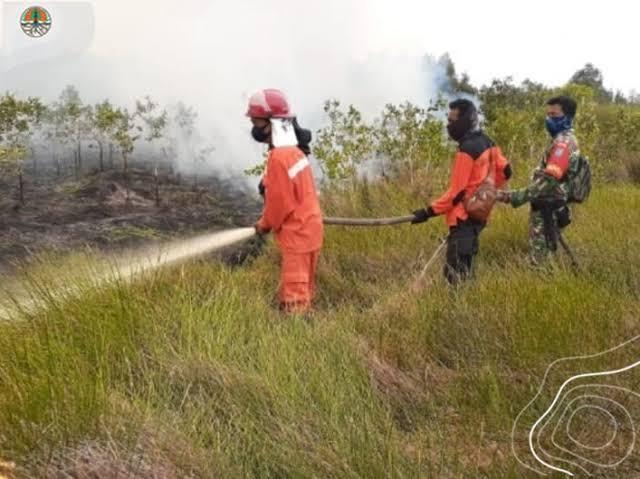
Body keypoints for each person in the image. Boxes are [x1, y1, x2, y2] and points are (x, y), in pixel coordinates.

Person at [411, 99, 512, 285]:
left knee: (455, 276)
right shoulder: (488, 142)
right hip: (479, 218)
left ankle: (458, 312)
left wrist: (427, 212)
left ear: (465, 120)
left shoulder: (466, 150)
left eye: (452, 121)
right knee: (467, 271)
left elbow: (455, 194)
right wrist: (486, 196)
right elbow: (506, 170)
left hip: (462, 220)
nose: (449, 125)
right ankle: (467, 306)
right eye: (448, 121)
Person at [248, 88, 323, 313]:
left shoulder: (279, 157)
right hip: (310, 228)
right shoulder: (295, 152)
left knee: (295, 296)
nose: (254, 128)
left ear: (272, 123)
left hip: (296, 234)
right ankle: (300, 319)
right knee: (305, 287)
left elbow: (280, 204)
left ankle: (297, 334)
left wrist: (264, 224)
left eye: (257, 121)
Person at [496, 96, 579, 265]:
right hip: (554, 205)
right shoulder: (567, 140)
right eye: (548, 114)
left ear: (568, 117)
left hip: (548, 208)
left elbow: (547, 182)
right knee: (548, 251)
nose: (549, 119)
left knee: (539, 259)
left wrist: (510, 197)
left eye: (554, 115)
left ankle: (544, 284)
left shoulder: (562, 144)